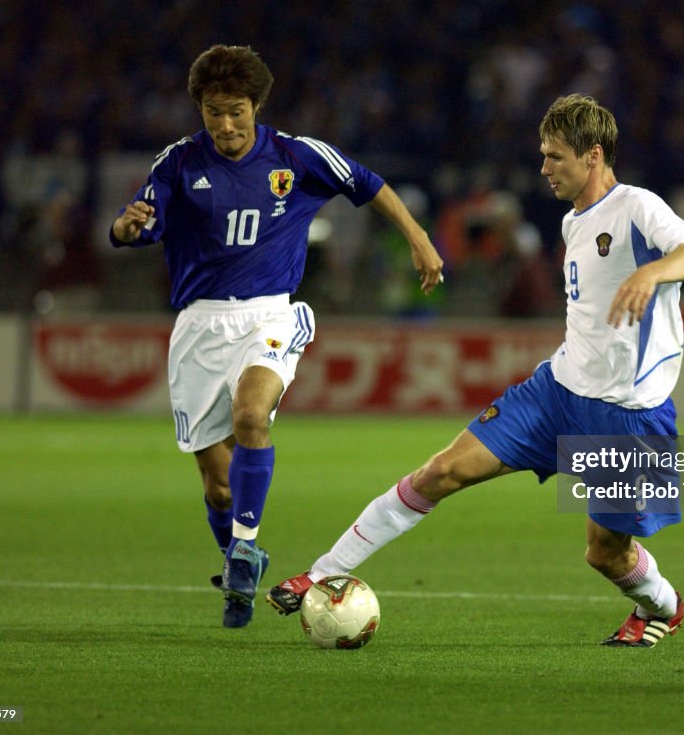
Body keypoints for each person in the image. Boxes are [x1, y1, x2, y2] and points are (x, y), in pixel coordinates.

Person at [267, 94, 684, 647]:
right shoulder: (573, 222)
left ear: (594, 155)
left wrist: (652, 273)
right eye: (543, 155)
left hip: (627, 418)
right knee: (441, 472)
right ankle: (318, 574)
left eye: (555, 157)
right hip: (555, 393)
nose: (544, 168)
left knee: (606, 553)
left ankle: (664, 606)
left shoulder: (637, 206)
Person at [109, 45, 444, 628]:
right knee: (217, 486)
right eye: (214, 112)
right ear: (201, 110)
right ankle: (238, 560)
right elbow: (141, 223)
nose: (226, 124)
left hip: (269, 315)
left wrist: (418, 237)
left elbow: (369, 184)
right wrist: (124, 226)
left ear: (256, 105)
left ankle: (243, 547)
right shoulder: (179, 163)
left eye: (237, 111)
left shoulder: (296, 155)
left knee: (250, 417)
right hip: (198, 324)